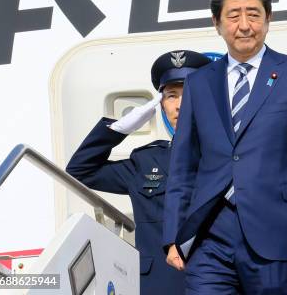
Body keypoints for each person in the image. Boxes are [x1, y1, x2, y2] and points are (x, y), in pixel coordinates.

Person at [163, 0, 287, 294]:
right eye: (233, 15)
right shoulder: (200, 83)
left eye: (253, 14)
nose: (244, 25)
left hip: (276, 231)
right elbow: (183, 164)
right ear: (217, 22)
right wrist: (173, 235)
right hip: (209, 233)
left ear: (268, 18)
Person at [66, 50, 211, 295]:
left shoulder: (227, 156)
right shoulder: (146, 161)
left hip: (215, 278)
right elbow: (81, 170)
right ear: (162, 105)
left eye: (190, 95)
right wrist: (117, 129)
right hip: (159, 283)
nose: (180, 104)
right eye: (171, 96)